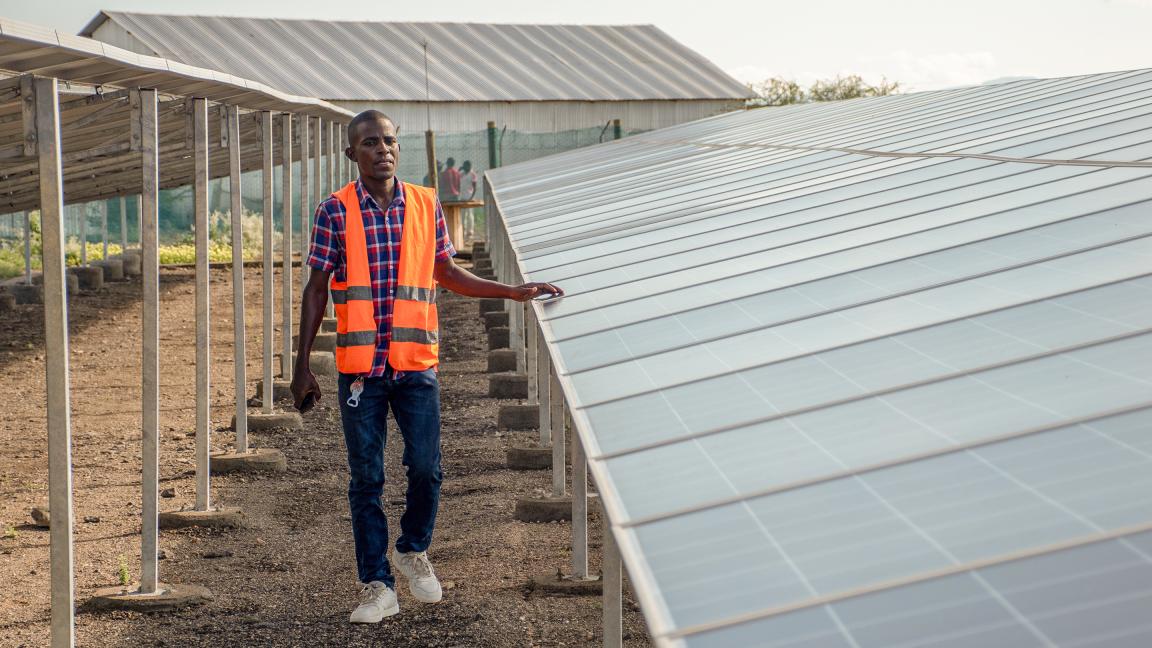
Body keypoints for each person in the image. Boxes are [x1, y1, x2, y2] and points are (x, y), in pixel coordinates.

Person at [292, 110, 561, 625]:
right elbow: (317, 288)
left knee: (426, 469)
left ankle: (412, 548)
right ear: (353, 154)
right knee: (365, 480)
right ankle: (377, 585)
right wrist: (303, 365)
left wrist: (511, 290)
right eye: (370, 143)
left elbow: (446, 272)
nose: (383, 150)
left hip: (415, 365)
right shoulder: (335, 210)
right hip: (360, 370)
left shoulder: (424, 203)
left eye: (390, 141)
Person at [458, 160, 479, 241]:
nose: (466, 167)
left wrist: (471, 197)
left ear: (470, 166)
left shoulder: (473, 175)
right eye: (465, 166)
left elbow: (475, 187)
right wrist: (458, 171)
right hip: (462, 197)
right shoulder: (461, 174)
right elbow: (456, 180)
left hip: (469, 197)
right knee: (463, 215)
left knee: (470, 214)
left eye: (467, 166)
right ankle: (463, 231)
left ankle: (470, 232)